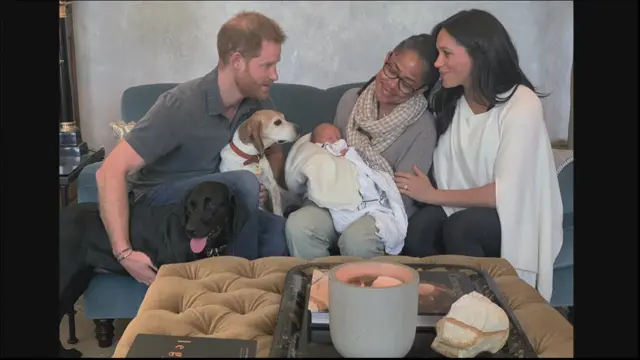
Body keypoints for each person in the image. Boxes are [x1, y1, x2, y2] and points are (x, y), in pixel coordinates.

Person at [95, 11, 289, 288]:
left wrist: (265, 182)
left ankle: (266, 309)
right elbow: (109, 171)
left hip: (210, 201)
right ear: (237, 61)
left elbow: (272, 152)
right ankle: (236, 292)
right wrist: (123, 252)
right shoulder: (180, 105)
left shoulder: (255, 104)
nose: (275, 75)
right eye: (267, 65)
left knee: (276, 228)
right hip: (158, 202)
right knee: (242, 183)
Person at [394, 9, 563, 302]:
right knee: (420, 228)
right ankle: (434, 313)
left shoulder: (521, 103)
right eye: (437, 53)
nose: (438, 63)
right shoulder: (451, 99)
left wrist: (432, 195)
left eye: (446, 54)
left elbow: (504, 194)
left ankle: (480, 320)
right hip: (459, 206)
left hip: (516, 216)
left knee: (463, 228)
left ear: (479, 54)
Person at [286, 34, 440, 259]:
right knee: (300, 225)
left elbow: (402, 193)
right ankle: (320, 289)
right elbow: (335, 156)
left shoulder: (423, 127)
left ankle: (359, 293)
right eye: (392, 70)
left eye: (406, 83)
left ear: (420, 90)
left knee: (357, 239)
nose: (391, 84)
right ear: (387, 58)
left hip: (381, 207)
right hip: (339, 196)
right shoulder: (351, 100)